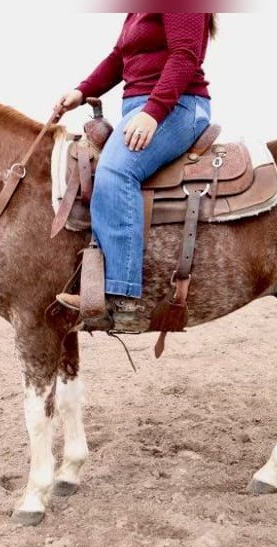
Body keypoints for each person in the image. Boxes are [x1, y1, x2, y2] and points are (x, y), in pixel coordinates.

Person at [55, 13, 216, 322]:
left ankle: (122, 298)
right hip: (140, 107)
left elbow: (185, 55)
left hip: (178, 105)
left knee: (115, 171)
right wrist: (82, 90)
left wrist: (153, 112)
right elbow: (119, 58)